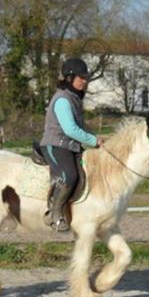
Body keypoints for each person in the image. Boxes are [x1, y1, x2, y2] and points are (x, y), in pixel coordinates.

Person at [39, 58, 102, 231]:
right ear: (69, 78)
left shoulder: (74, 99)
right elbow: (70, 129)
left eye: (86, 78)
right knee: (70, 176)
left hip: (70, 146)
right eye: (81, 78)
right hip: (56, 144)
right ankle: (55, 213)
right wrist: (93, 141)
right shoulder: (62, 100)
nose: (85, 81)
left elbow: (81, 126)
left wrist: (97, 138)